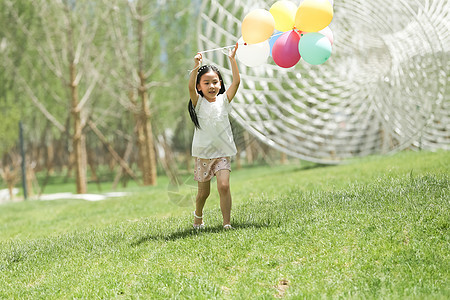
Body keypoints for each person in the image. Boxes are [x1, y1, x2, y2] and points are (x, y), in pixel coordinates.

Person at [188, 44, 240, 230]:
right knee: (203, 193)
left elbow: (236, 83)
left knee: (224, 186)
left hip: (222, 152)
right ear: (199, 87)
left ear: (220, 84)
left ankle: (227, 224)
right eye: (207, 83)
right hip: (203, 154)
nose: (212, 86)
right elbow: (190, 88)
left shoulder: (224, 101)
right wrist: (196, 65)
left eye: (215, 82)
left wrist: (232, 60)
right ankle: (198, 216)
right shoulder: (198, 103)